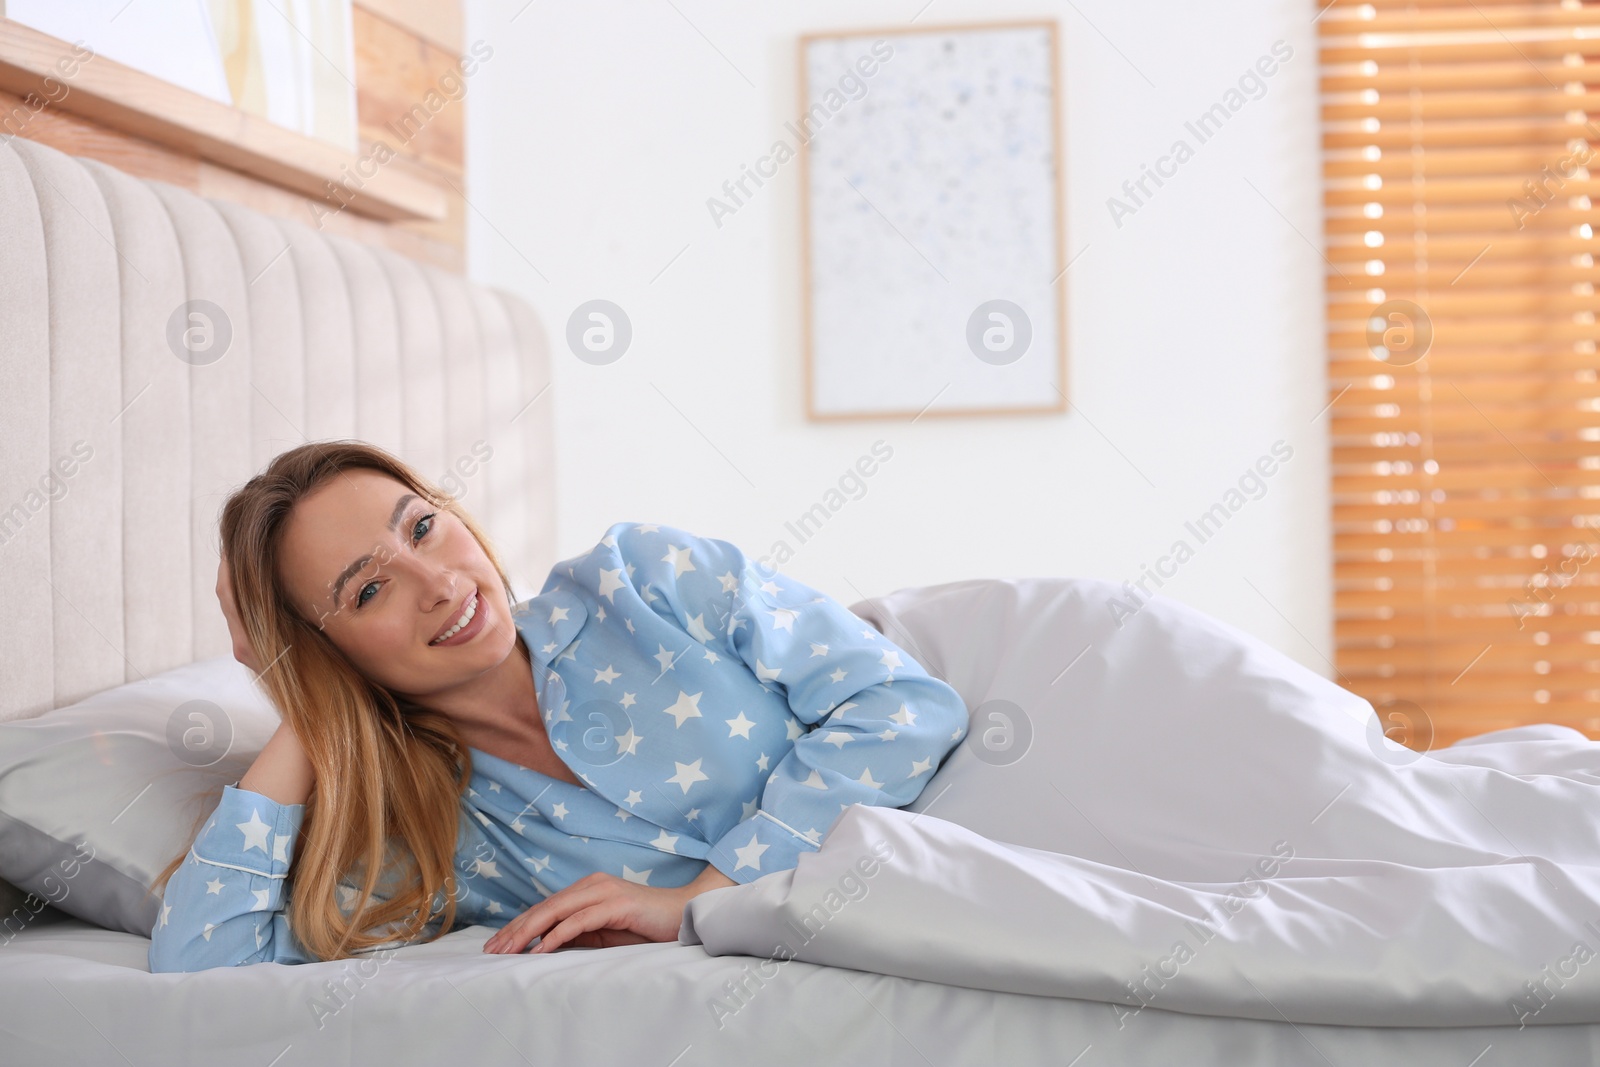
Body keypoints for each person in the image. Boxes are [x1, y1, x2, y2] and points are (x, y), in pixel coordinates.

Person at [146, 440, 969, 972]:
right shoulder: (433, 835)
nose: (439, 583)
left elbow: (904, 704)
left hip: (969, 830)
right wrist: (304, 699)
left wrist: (702, 896)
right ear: (331, 653)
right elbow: (200, 966)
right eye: (368, 589)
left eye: (423, 526)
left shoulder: (642, 577)